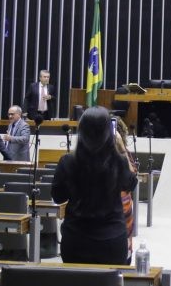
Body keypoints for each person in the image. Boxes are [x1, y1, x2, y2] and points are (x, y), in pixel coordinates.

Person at [51, 106, 137, 265]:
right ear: (108, 132)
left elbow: (58, 196)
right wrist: (121, 148)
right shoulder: (118, 161)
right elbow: (131, 184)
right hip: (112, 240)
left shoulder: (67, 161)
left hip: (75, 239)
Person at [114, 117, 138, 263]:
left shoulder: (125, 154)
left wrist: (121, 148)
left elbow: (132, 180)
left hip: (124, 214)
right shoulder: (95, 155)